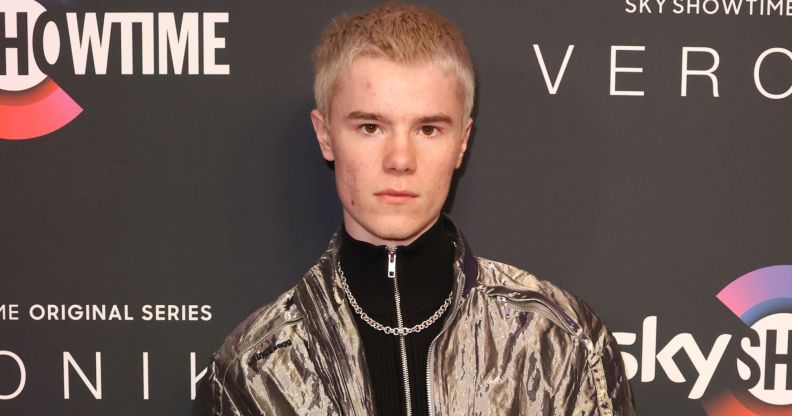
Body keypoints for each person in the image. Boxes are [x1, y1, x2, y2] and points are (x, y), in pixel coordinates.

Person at [208, 3, 635, 415]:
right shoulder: (256, 367)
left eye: (428, 128)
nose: (400, 159)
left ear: (462, 142)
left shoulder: (558, 340)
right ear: (325, 135)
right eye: (371, 127)